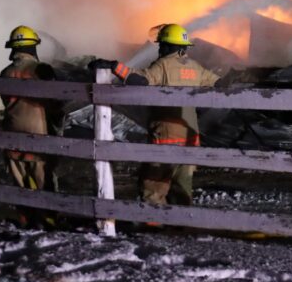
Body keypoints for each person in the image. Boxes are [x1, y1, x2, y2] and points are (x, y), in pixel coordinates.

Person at [90, 23, 218, 205]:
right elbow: (219, 84)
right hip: (191, 137)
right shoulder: (196, 68)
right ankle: (181, 226)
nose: (160, 49)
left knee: (153, 187)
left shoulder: (163, 65)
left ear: (167, 46)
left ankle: (152, 225)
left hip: (166, 135)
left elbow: (140, 80)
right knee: (182, 187)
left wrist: (114, 66)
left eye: (161, 45)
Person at [0, 25, 57, 226]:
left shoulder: (5, 73)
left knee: (21, 184)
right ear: (33, 47)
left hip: (12, 135)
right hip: (38, 135)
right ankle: (48, 221)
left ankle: (26, 220)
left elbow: (5, 101)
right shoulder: (40, 70)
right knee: (44, 183)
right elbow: (55, 100)